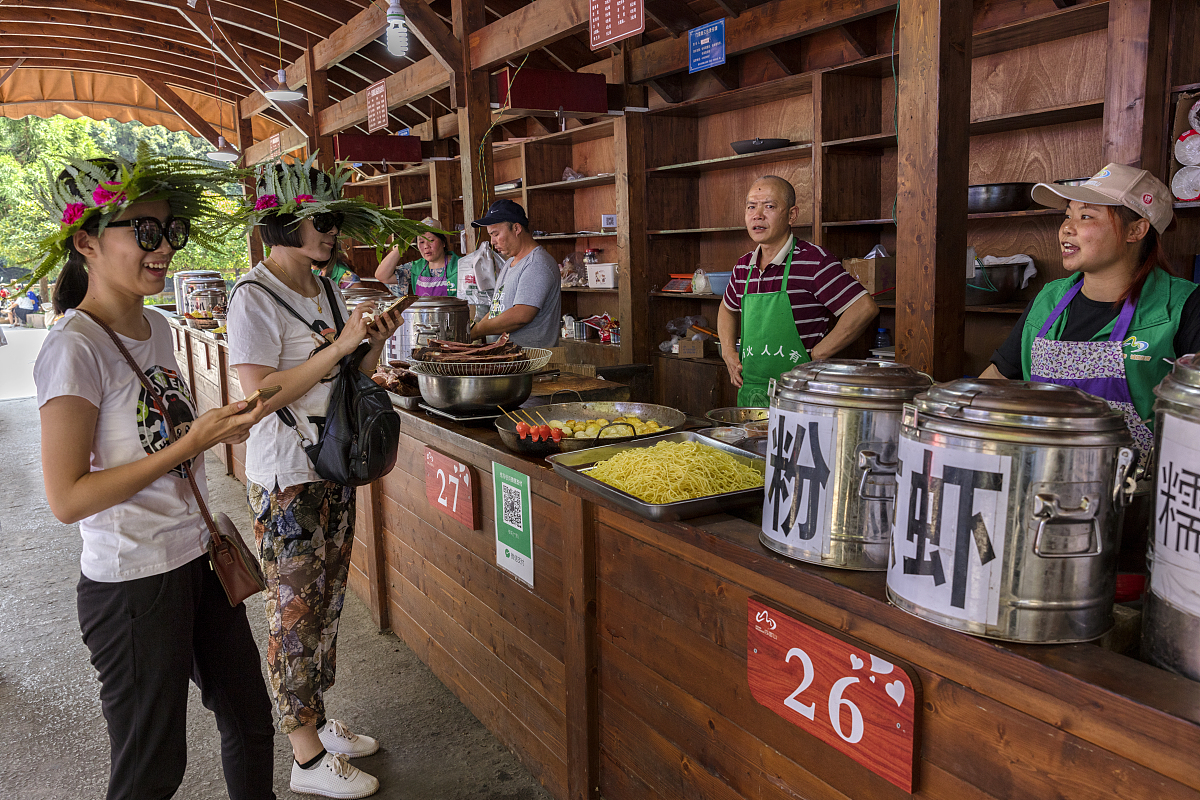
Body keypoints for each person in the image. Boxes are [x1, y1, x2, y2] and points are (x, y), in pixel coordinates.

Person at [32, 153, 276, 800]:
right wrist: (189, 444)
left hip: (198, 558)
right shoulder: (73, 349)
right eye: (145, 232)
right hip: (133, 589)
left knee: (251, 721)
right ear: (86, 240)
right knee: (151, 769)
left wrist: (212, 434)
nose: (164, 247)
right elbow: (66, 499)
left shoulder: (159, 326)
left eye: (171, 231)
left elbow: (166, 436)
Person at [226, 154, 421, 800]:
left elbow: (346, 376)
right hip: (287, 479)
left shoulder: (327, 288)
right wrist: (339, 347)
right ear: (283, 224)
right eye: (322, 221)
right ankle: (304, 757)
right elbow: (259, 396)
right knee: (293, 610)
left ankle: (314, 723)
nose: (332, 232)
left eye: (334, 220)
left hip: (332, 468)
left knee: (328, 602)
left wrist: (371, 346)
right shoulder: (254, 296)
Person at [982, 163, 1200, 461]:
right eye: (1067, 215)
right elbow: (996, 380)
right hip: (1039, 478)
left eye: (1086, 216)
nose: (1067, 228)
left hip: (1136, 493)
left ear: (1136, 230)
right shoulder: (1049, 299)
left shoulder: (1183, 306)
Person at [718, 175, 879, 406]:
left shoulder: (814, 261)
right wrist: (728, 352)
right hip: (752, 395)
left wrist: (818, 355)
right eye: (751, 207)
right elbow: (727, 308)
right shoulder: (744, 266)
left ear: (792, 215)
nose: (758, 215)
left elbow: (863, 308)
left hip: (800, 397)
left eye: (770, 206)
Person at [467, 199, 560, 347]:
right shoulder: (510, 263)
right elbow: (496, 310)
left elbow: (521, 315)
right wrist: (472, 331)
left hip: (530, 361)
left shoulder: (536, 264)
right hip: (509, 361)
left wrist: (478, 331)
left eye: (496, 234)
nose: (492, 241)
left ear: (516, 228)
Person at [375, 217, 458, 296]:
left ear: (443, 242)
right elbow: (382, 276)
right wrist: (402, 244)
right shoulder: (415, 268)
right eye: (421, 242)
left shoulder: (461, 266)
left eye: (431, 240)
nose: (426, 246)